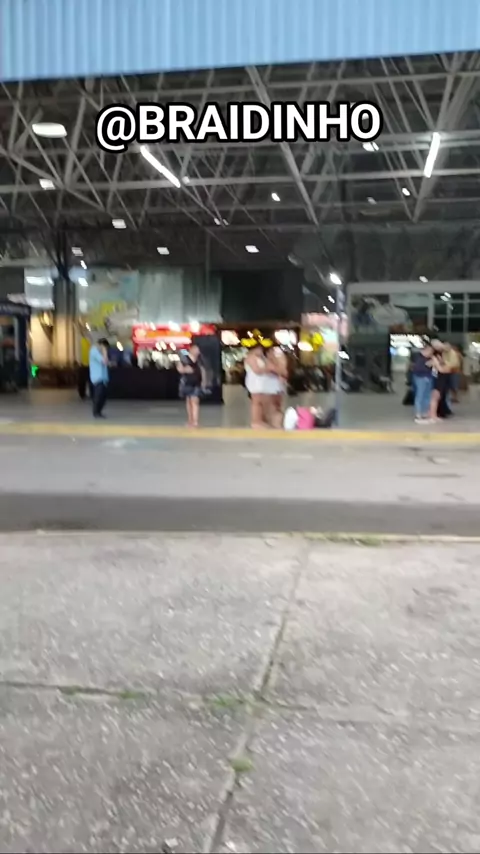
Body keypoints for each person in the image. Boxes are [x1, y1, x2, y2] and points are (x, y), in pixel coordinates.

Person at [177, 344, 206, 428]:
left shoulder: (200, 360)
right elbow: (180, 369)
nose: (198, 352)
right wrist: (186, 370)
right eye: (196, 350)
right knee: (189, 401)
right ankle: (190, 420)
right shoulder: (184, 358)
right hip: (187, 382)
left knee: (195, 401)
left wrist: (204, 381)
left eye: (198, 350)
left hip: (196, 383)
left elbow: (203, 370)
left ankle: (195, 421)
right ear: (191, 350)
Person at [244, 344, 269, 428]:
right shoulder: (251, 357)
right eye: (259, 349)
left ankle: (260, 420)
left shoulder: (260, 358)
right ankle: (255, 421)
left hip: (261, 382)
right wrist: (268, 368)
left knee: (261, 402)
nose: (261, 351)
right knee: (256, 402)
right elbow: (257, 370)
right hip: (255, 382)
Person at [265, 346, 288, 428]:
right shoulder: (280, 358)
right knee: (276, 406)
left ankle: (275, 423)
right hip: (278, 385)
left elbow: (281, 371)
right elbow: (284, 372)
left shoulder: (271, 361)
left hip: (273, 386)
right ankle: (276, 423)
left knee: (274, 406)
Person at [411, 341, 433, 423]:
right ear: (425, 350)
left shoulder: (430, 358)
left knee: (427, 396)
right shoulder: (419, 358)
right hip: (421, 378)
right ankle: (418, 413)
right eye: (430, 351)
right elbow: (416, 369)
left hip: (429, 378)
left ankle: (425, 412)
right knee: (420, 395)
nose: (431, 353)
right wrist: (426, 365)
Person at [429, 341, 452, 421]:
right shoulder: (435, 357)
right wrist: (443, 367)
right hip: (437, 378)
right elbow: (440, 369)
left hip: (440, 379)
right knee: (435, 397)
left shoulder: (442, 356)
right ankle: (433, 415)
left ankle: (433, 415)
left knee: (437, 397)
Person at [89, 338, 109, 418]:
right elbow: (104, 361)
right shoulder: (94, 351)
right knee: (98, 396)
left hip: (103, 378)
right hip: (97, 378)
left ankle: (99, 411)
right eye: (105, 347)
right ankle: (96, 412)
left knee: (103, 397)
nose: (106, 349)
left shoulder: (99, 353)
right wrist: (104, 352)